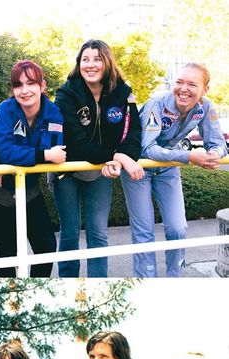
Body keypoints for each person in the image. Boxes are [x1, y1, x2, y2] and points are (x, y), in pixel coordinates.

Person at [121, 63, 228, 277]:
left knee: (178, 228)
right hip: (139, 166)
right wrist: (189, 156)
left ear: (204, 90)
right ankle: (146, 282)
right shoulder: (157, 103)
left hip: (168, 167)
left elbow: (218, 143)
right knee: (144, 232)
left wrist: (214, 153)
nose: (183, 89)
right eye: (179, 82)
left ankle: (174, 279)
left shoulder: (205, 107)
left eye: (192, 84)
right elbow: (148, 148)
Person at [53, 39, 143, 277]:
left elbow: (133, 132)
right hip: (69, 171)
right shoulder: (66, 94)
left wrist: (123, 156)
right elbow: (75, 143)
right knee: (70, 233)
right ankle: (68, 284)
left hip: (102, 171)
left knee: (98, 233)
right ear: (78, 63)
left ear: (107, 63)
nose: (90, 65)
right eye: (85, 59)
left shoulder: (123, 92)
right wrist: (117, 156)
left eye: (97, 59)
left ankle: (98, 287)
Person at [0, 60, 66, 277]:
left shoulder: (54, 112)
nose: (24, 90)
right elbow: (8, 150)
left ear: (42, 85)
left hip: (29, 190)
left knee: (46, 246)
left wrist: (16, 156)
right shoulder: (5, 109)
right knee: (7, 252)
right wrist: (40, 154)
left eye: (31, 83)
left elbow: (53, 148)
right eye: (18, 85)